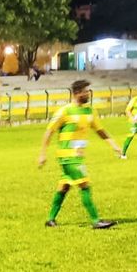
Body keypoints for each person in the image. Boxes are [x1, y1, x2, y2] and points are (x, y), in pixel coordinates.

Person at [38, 80, 121, 229]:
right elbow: (49, 131)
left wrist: (113, 144)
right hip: (67, 156)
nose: (88, 94)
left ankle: (50, 219)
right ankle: (96, 221)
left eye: (88, 91)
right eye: (85, 91)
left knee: (64, 187)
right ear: (76, 93)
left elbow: (100, 130)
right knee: (85, 185)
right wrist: (42, 154)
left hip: (77, 156)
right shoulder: (65, 111)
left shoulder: (90, 111)